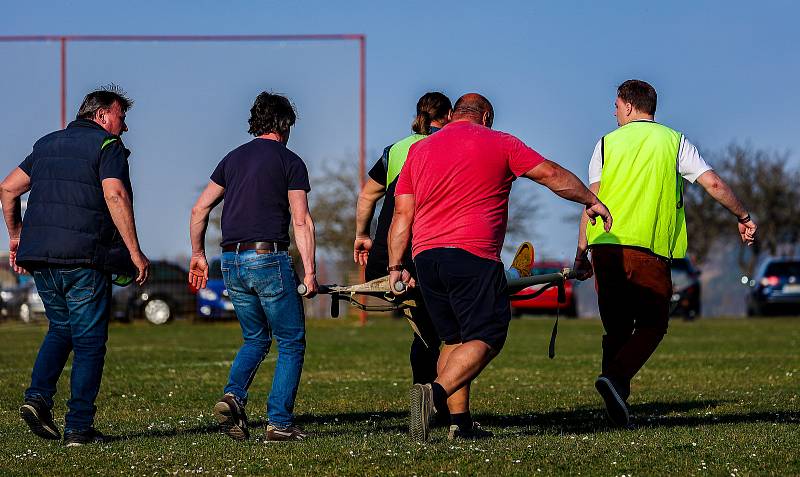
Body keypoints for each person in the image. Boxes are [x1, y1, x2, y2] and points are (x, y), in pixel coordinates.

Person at [388, 93, 612, 441]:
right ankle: (434, 393)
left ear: (452, 115)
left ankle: (459, 426)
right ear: (486, 115)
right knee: (487, 335)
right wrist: (590, 199)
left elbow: (402, 214)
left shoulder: (419, 150)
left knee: (454, 338)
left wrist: (395, 266)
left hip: (426, 258)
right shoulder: (500, 142)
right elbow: (550, 174)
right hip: (473, 255)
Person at [573, 79, 757, 427]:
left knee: (616, 329)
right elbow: (712, 183)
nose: (613, 113)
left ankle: (614, 404)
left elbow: (590, 200)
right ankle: (614, 381)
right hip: (648, 249)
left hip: (606, 249)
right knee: (654, 324)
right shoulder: (674, 142)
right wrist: (743, 215)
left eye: (616, 106)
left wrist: (581, 252)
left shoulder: (604, 144)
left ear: (629, 105)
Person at [0, 86, 150, 446]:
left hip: (41, 257)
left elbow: (7, 189)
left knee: (61, 329)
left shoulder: (47, 143)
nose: (124, 127)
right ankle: (79, 428)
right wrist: (135, 251)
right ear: (101, 116)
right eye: (121, 117)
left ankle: (37, 398)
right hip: (83, 256)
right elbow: (114, 194)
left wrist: (16, 236)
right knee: (89, 343)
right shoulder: (106, 147)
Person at [189, 91, 317, 442]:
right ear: (284, 124)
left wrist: (198, 254)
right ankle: (279, 422)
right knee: (291, 340)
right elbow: (302, 220)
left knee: (256, 337)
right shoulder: (290, 162)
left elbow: (200, 209)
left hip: (230, 259)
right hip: (268, 257)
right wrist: (310, 272)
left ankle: (233, 396)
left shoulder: (231, 159)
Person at [354, 92, 452, 391]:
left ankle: (426, 395)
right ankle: (434, 400)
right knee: (442, 334)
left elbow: (367, 195)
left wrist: (362, 235)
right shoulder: (447, 148)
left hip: (383, 259)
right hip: (418, 258)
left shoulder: (394, 150)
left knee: (425, 331)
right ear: (449, 115)